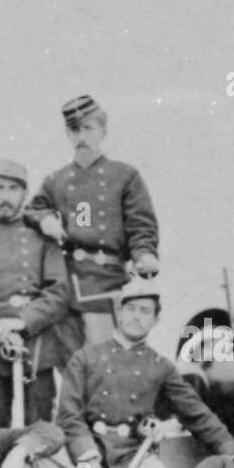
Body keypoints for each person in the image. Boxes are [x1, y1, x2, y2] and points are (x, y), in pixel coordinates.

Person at [55, 278, 234, 468]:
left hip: (131, 457)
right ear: (119, 313)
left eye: (145, 311)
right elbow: (68, 415)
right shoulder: (85, 358)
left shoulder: (160, 366)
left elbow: (197, 414)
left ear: (155, 319)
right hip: (87, 454)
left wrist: (231, 452)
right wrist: (87, 457)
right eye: (132, 309)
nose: (137, 316)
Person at [0, 158, 82, 427]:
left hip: (35, 349)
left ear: (24, 193)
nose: (5, 196)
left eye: (13, 189)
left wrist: (21, 322)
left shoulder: (44, 239)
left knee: (40, 433)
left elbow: (59, 292)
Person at [23, 95, 160, 344]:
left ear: (103, 131)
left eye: (88, 128)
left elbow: (141, 225)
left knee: (103, 364)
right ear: (68, 133)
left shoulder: (125, 176)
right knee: (71, 369)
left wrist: (144, 254)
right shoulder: (57, 180)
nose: (81, 137)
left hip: (106, 284)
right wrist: (44, 219)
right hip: (67, 286)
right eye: (75, 130)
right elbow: (31, 210)